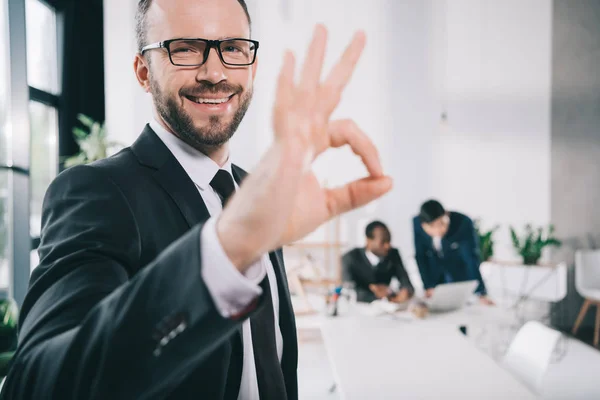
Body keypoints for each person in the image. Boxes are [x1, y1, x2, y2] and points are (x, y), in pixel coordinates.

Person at [1, 0, 392, 398]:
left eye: (234, 48)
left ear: (253, 67)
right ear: (143, 72)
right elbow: (35, 385)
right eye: (185, 48)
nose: (215, 72)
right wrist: (229, 246)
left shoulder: (252, 190)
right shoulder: (95, 192)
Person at [413, 200, 494, 306]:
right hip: (435, 276)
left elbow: (470, 258)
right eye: (432, 226)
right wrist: (428, 286)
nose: (438, 230)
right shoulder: (416, 223)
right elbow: (421, 256)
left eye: (442, 223)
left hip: (459, 275)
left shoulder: (463, 222)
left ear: (446, 214)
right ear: (423, 225)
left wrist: (481, 292)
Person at [342, 221, 414, 303]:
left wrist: (405, 292)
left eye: (389, 241)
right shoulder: (350, 258)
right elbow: (349, 292)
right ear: (368, 241)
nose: (388, 246)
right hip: (358, 309)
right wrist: (380, 295)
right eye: (383, 242)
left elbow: (406, 282)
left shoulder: (393, 254)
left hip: (388, 309)